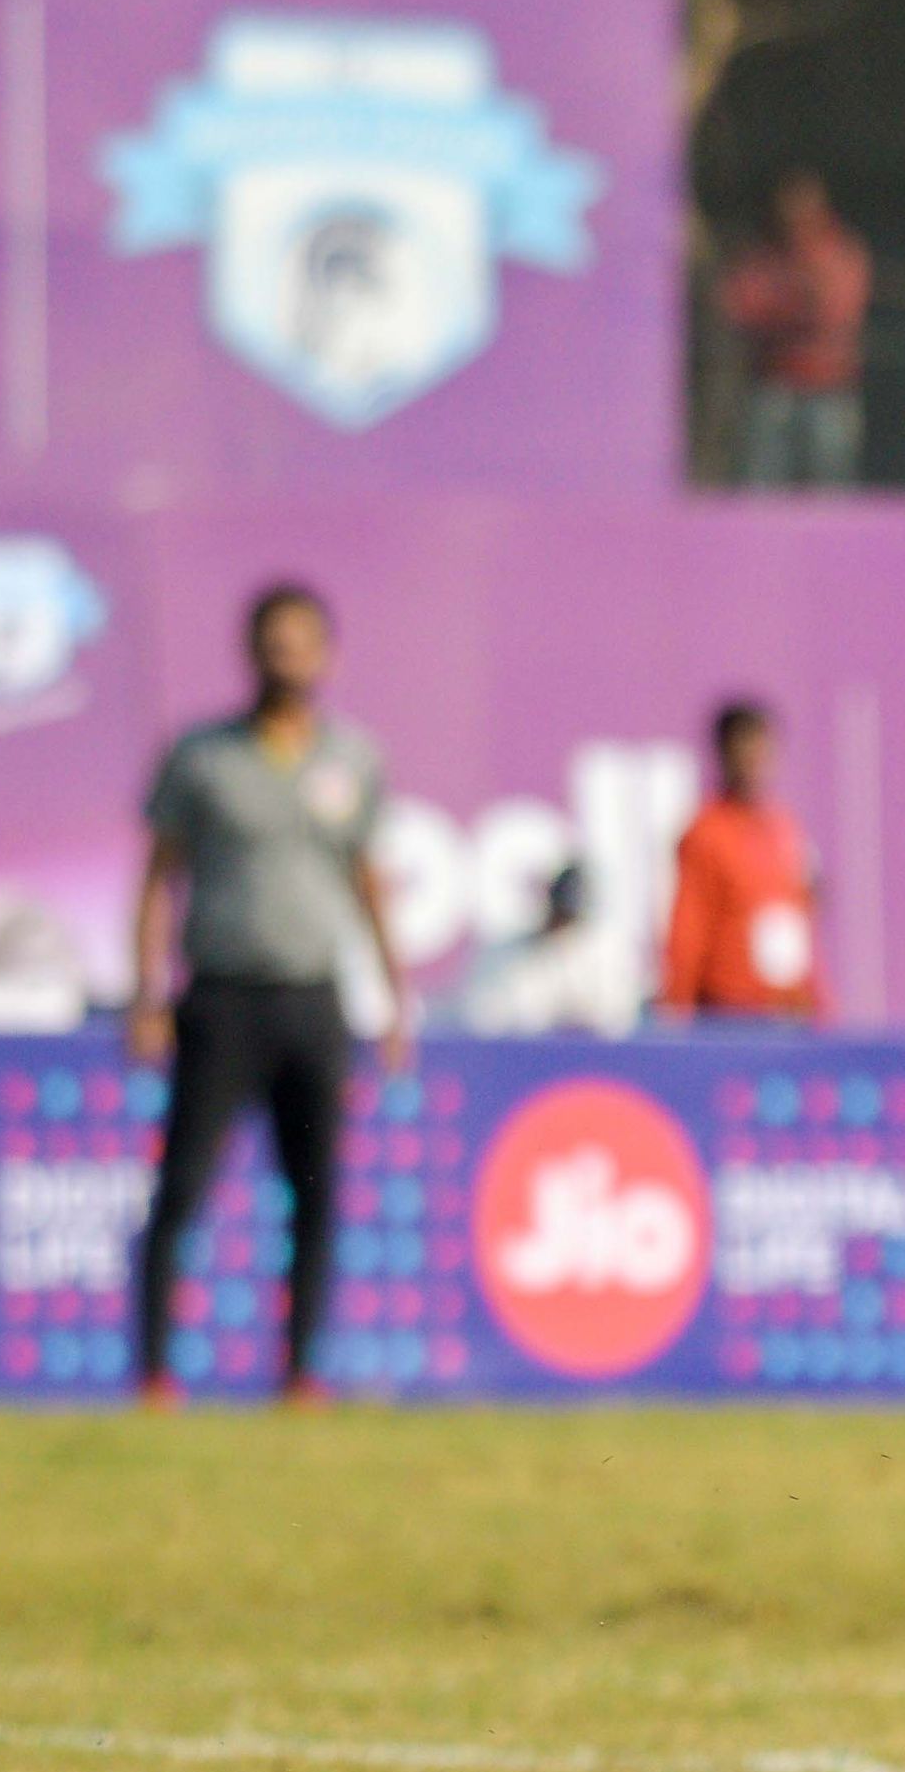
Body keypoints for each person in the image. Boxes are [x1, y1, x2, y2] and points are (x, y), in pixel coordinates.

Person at [124, 584, 406, 1406]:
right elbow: (156, 877)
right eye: (273, 644)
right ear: (251, 653)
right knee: (182, 1189)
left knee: (314, 1190)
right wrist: (147, 993)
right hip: (220, 998)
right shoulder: (203, 756)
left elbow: (367, 882)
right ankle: (153, 1373)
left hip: (313, 997)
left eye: (302, 644)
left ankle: (300, 1373)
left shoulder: (351, 759)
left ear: (327, 656)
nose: (288, 659)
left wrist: (393, 997)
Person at [660, 699, 825, 1024]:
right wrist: (676, 1010)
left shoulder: (785, 828)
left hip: (789, 1013)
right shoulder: (706, 833)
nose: (756, 759)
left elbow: (798, 922)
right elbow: (688, 929)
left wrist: (817, 1002)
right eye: (746, 746)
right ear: (724, 753)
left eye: (763, 746)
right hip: (730, 1016)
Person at [718, 172, 872, 490]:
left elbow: (834, 312)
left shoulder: (841, 252)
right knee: (757, 491)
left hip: (829, 390)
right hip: (772, 385)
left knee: (830, 495)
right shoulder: (762, 254)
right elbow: (739, 305)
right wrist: (795, 302)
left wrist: (783, 303)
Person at [445, 863, 641, 1037]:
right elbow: (482, 1019)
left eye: (569, 918)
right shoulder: (508, 955)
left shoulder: (604, 955)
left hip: (588, 1068)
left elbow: (617, 1021)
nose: (561, 924)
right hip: (517, 1064)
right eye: (559, 914)